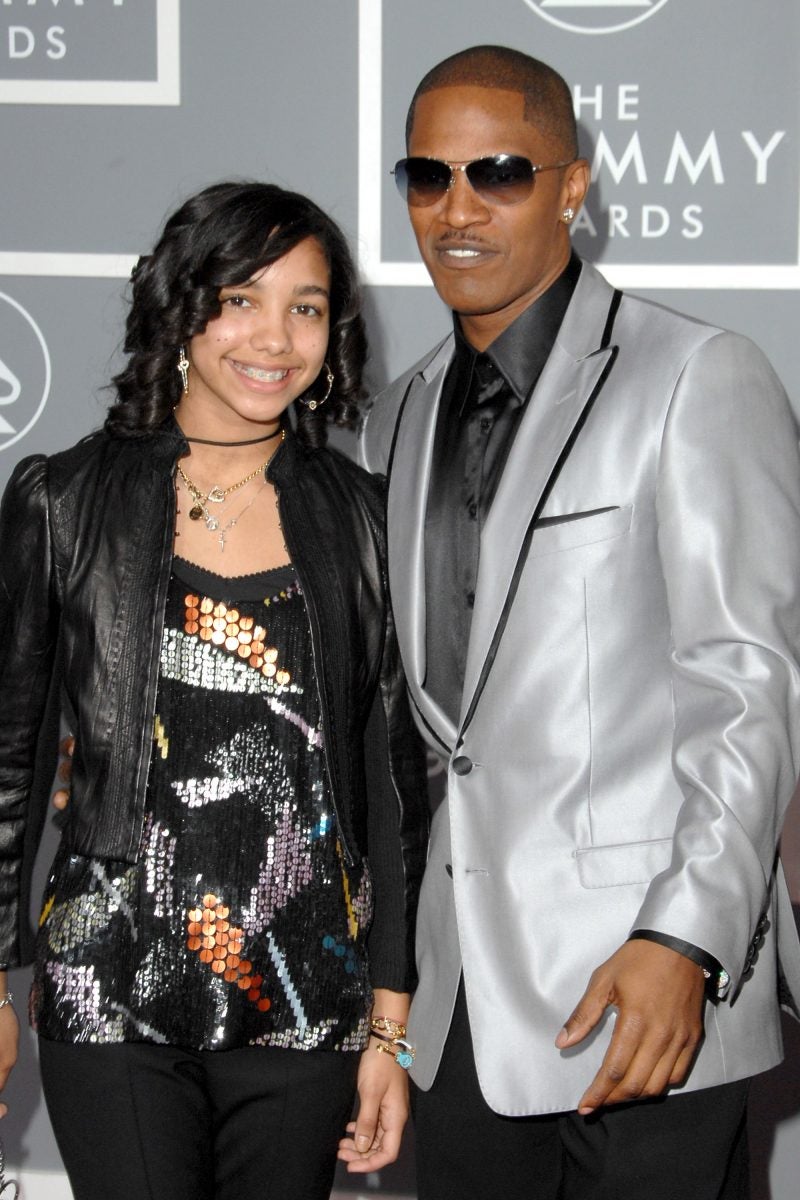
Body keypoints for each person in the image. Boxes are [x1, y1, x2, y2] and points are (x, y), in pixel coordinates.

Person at [351, 44, 800, 1200]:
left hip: (642, 985)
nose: (455, 210)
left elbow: (747, 685)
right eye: (426, 176)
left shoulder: (694, 375)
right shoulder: (391, 420)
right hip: (460, 1009)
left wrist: (684, 939)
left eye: (496, 173)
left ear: (570, 188)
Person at [0, 180, 429, 1200]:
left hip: (308, 999)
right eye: (240, 298)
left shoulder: (366, 521)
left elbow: (393, 789)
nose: (274, 337)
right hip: (110, 989)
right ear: (181, 310)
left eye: (305, 307)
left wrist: (390, 1030)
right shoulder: (64, 502)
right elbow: (7, 764)